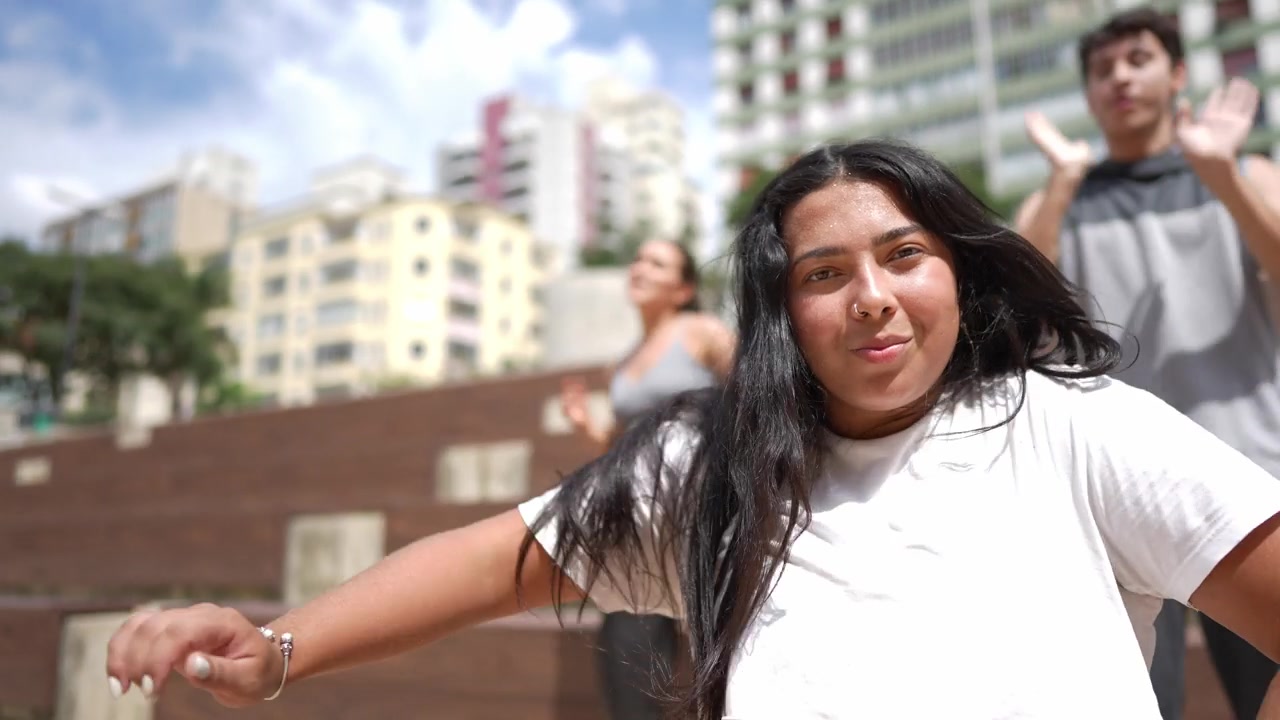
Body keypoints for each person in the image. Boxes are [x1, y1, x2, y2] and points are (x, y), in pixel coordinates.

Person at [105, 140, 1280, 719]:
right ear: (781, 312)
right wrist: (278, 648)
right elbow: (488, 561)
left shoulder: (1074, 427)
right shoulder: (711, 465)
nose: (870, 296)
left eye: (903, 255)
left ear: (960, 276)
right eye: (824, 273)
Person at [1013, 8, 1280, 719]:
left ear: (1178, 73)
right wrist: (1064, 182)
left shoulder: (1244, 172)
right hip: (1114, 497)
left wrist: (1222, 176)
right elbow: (1012, 319)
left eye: (1138, 59)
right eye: (1103, 70)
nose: (1120, 79)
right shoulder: (1060, 196)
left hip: (1249, 478)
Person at [558, 238, 733, 720]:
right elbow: (619, 446)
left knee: (727, 651)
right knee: (628, 660)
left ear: (683, 289)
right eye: (637, 258)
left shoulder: (703, 332)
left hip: (702, 509)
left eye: (657, 263)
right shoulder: (623, 360)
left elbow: (753, 399)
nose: (639, 267)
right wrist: (586, 427)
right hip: (636, 518)